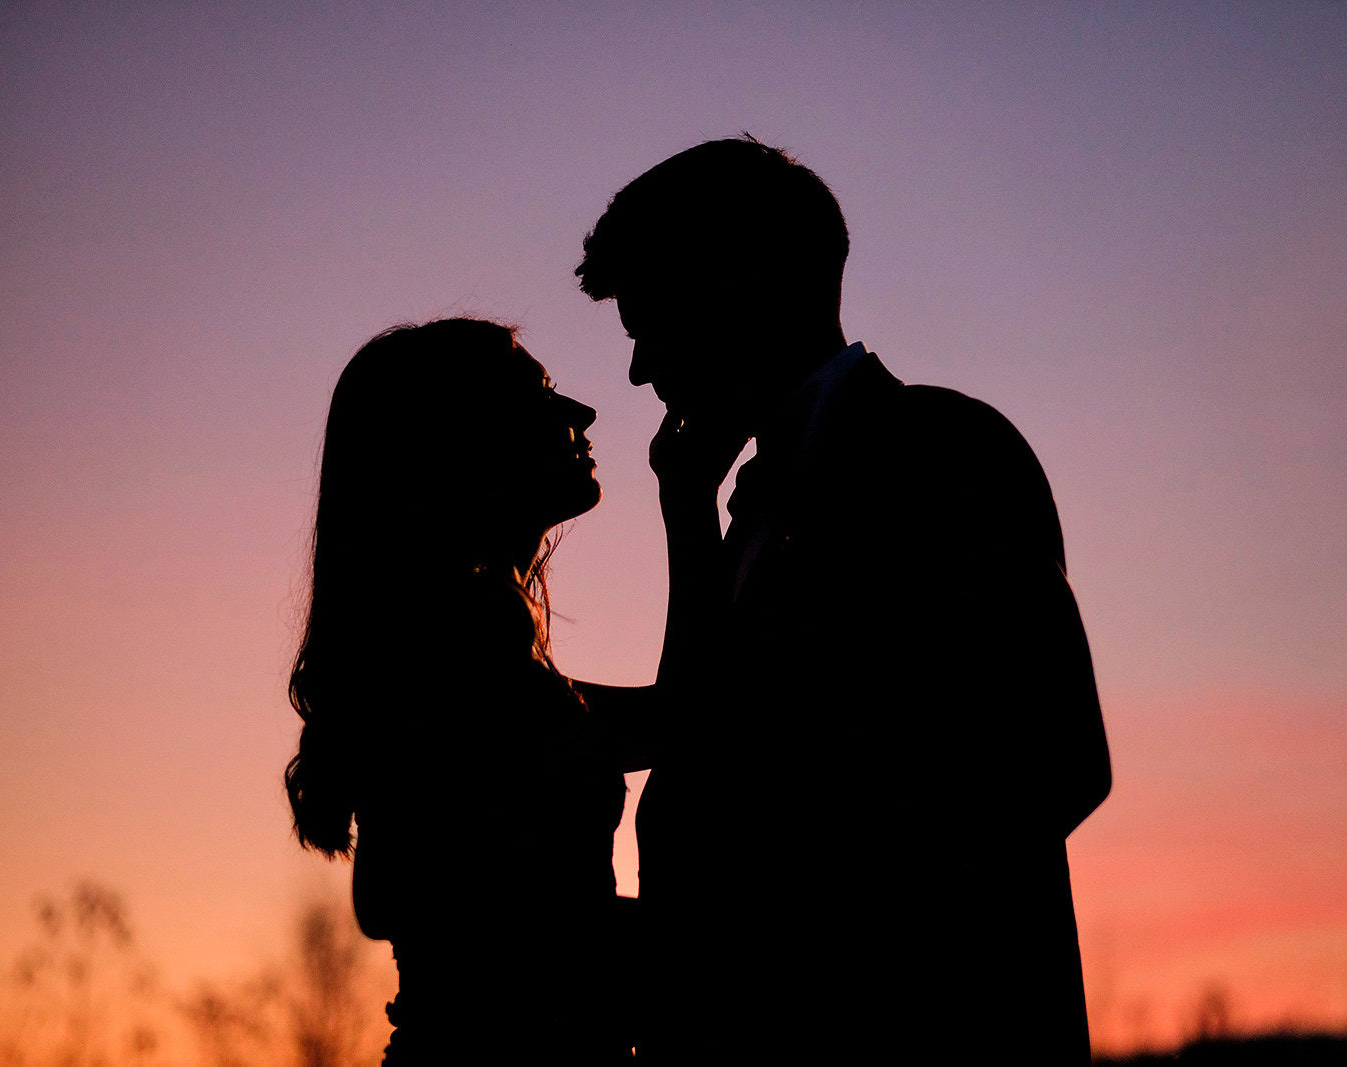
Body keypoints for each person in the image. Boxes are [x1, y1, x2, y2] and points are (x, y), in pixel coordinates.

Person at [576, 137, 1112, 1063]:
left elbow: (1050, 758)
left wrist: (777, 973)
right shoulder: (743, 516)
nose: (637, 368)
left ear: (732, 288)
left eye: (648, 322)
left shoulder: (942, 447)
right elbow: (704, 751)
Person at [282, 319, 631, 1063]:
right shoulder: (449, 654)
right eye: (542, 397)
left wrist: (687, 503)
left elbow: (685, 715)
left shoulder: (475, 656)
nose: (583, 414)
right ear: (466, 446)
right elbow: (413, 901)